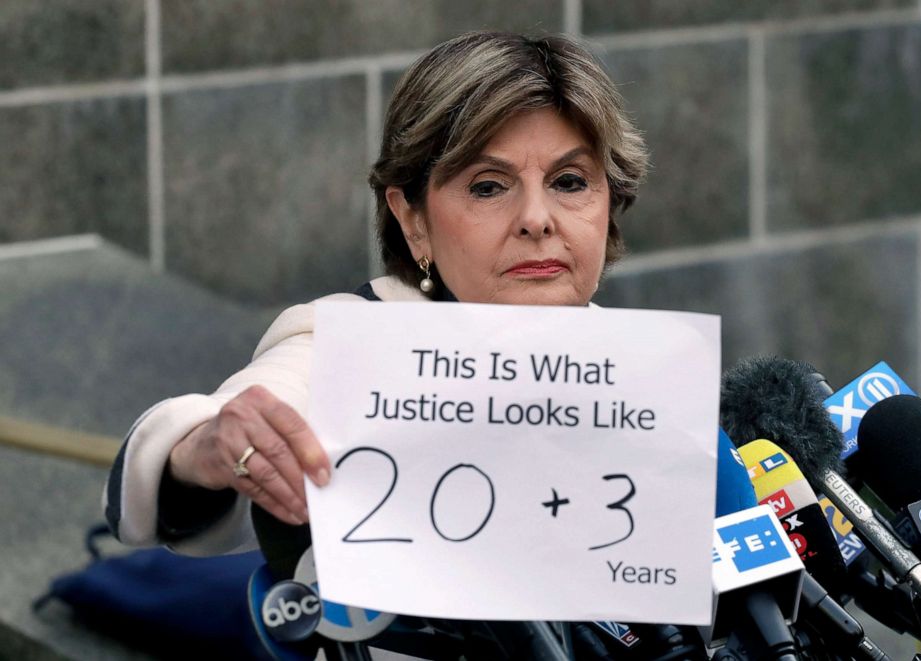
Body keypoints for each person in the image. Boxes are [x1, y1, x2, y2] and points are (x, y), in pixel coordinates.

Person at [104, 31, 649, 557]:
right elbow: (201, 446)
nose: (536, 219)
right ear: (412, 219)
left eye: (570, 182)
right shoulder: (346, 341)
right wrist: (206, 448)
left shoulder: (648, 366)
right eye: (488, 186)